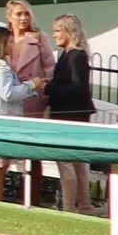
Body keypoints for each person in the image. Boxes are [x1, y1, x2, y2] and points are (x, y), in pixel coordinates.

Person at [45, 12, 97, 209]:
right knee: (77, 162)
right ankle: (84, 205)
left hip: (70, 115)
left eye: (58, 31)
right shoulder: (67, 55)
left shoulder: (76, 56)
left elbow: (79, 88)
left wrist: (49, 88)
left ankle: (70, 207)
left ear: (69, 32)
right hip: (69, 113)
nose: (55, 35)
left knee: (67, 162)